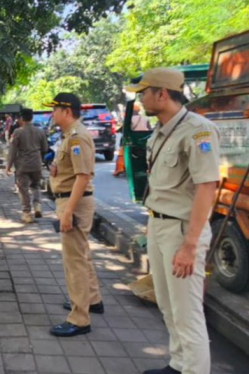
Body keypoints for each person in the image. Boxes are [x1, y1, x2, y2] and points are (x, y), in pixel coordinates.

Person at [127, 68, 220, 374]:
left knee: (187, 314)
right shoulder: (162, 131)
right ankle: (179, 364)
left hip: (182, 231)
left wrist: (190, 246)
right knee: (167, 305)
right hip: (160, 226)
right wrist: (152, 220)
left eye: (144, 93)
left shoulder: (197, 130)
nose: (141, 99)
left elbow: (207, 186)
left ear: (162, 94)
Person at [45, 93, 103, 337]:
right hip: (71, 199)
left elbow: (83, 176)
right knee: (82, 254)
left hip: (74, 202)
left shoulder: (77, 137)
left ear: (66, 111)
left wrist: (68, 212)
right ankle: (92, 299)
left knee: (74, 262)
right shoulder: (69, 136)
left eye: (55, 110)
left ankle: (80, 318)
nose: (52, 114)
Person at [6, 108, 49, 223]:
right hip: (36, 164)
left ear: (21, 119)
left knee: (23, 189)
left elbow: (12, 151)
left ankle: (27, 213)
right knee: (35, 186)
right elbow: (45, 149)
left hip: (22, 165)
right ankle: (37, 205)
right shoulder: (40, 132)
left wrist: (8, 166)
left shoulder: (17, 132)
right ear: (32, 117)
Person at [114, 103, 152, 176]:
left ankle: (120, 169)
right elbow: (149, 129)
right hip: (144, 139)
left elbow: (124, 129)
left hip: (132, 140)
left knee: (122, 152)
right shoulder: (145, 118)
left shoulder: (129, 119)